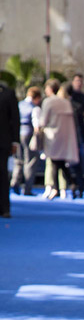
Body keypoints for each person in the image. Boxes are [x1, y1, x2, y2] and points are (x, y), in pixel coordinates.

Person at [39, 81, 79, 200]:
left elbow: (43, 120)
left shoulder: (48, 102)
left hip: (52, 137)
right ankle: (70, 184)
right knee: (60, 163)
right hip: (65, 137)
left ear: (49, 89)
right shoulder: (66, 102)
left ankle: (57, 187)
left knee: (55, 162)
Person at [10, 86, 41, 196]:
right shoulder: (34, 108)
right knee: (30, 161)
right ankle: (27, 187)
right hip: (29, 133)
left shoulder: (20, 104)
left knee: (18, 160)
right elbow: (36, 124)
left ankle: (14, 182)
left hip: (18, 133)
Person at [0, 79, 19, 217]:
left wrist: (15, 141)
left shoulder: (8, 93)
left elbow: (15, 118)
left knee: (2, 174)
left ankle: (4, 208)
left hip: (3, 142)